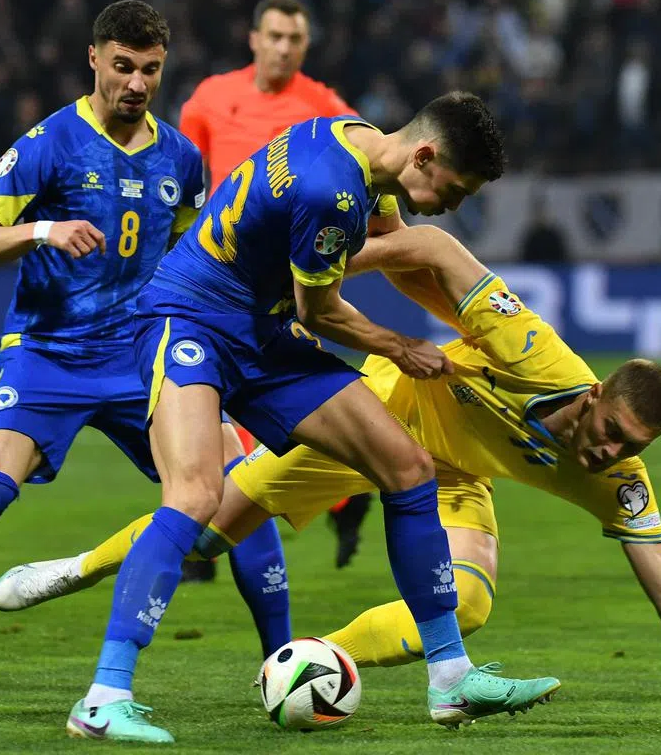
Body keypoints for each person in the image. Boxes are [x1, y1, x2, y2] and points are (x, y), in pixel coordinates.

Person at [0, 225, 661, 734]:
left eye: (629, 447)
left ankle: (317, 658)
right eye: (607, 433)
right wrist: (326, 272)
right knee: (202, 530)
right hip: (374, 422)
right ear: (595, 393)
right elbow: (431, 248)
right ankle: (76, 568)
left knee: (469, 600)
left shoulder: (620, 483)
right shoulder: (533, 352)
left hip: (453, 478)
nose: (606, 454)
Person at [66, 93, 563, 743]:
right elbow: (319, 312)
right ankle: (102, 697)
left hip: (262, 332)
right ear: (424, 155)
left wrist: (479, 315)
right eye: (455, 188)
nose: (453, 205)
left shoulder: (353, 140)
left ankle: (450, 679)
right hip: (187, 318)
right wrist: (400, 347)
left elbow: (391, 248)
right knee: (195, 494)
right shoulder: (332, 192)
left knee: (408, 468)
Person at [0, 0, 281, 712]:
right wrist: (42, 231)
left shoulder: (180, 158)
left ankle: (282, 661)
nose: (137, 82)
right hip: (47, 355)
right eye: (123, 66)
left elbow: (195, 254)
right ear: (94, 58)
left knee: (241, 493)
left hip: (144, 356)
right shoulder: (48, 145)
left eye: (150, 69)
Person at [179, 0, 370, 580]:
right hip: (217, 276)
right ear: (254, 38)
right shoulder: (211, 98)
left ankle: (210, 532)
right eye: (276, 36)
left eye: (296, 39)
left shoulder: (326, 107)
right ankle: (333, 498)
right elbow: (189, 178)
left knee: (246, 404)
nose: (285, 47)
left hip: (285, 282)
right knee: (214, 403)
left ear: (305, 47)